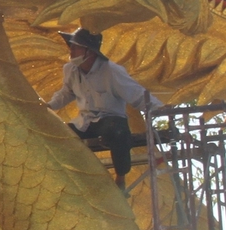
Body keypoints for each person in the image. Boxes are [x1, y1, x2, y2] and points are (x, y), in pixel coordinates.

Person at [43, 27, 164, 189]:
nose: (71, 50)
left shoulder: (111, 71)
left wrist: (160, 109)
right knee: (62, 135)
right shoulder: (70, 69)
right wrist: (48, 106)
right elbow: (66, 93)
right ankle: (75, 179)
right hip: (85, 121)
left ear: (89, 52)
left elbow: (136, 94)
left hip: (111, 118)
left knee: (117, 132)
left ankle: (120, 177)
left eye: (76, 47)